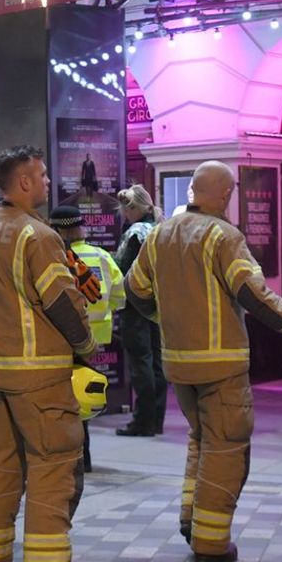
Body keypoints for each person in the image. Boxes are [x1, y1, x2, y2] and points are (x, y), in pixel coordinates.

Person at [125, 160, 282, 562]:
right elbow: (256, 298)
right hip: (221, 367)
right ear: (225, 194)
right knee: (227, 451)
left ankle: (191, 517)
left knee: (201, 441)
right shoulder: (223, 236)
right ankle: (210, 543)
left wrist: (169, 319)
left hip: (178, 365)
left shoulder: (159, 235)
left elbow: (135, 292)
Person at [0, 145, 96, 562]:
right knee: (52, 471)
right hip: (39, 380)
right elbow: (62, 301)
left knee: (1, 470)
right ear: (23, 182)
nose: (46, 182)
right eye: (41, 175)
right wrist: (86, 346)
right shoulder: (38, 236)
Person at [50, 204, 125, 473]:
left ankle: (71, 458)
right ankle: (86, 457)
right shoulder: (102, 256)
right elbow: (120, 295)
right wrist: (104, 313)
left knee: (64, 400)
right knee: (85, 397)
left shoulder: (54, 257)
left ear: (57, 229)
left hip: (61, 338)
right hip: (95, 339)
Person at [115, 184, 166, 437]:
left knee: (140, 361)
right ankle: (156, 419)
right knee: (157, 361)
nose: (124, 213)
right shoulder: (159, 228)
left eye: (126, 208)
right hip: (158, 303)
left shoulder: (135, 233)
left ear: (134, 208)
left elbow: (122, 267)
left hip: (135, 304)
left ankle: (142, 420)